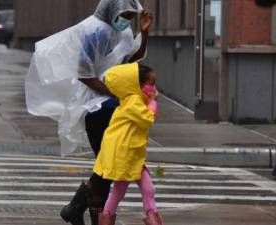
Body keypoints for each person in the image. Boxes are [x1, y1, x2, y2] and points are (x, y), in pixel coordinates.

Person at [24, 0, 153, 225]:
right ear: (112, 9)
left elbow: (129, 60)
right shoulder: (94, 31)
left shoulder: (120, 34)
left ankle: (77, 209)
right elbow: (84, 73)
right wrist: (113, 94)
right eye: (125, 14)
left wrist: (143, 33)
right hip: (95, 107)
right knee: (107, 165)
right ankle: (85, 212)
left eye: (132, 16)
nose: (127, 21)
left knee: (108, 164)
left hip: (112, 107)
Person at [93, 63, 163, 225]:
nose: (153, 87)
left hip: (130, 153)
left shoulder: (134, 100)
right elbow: (147, 119)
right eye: (150, 83)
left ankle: (107, 218)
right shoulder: (133, 101)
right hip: (126, 154)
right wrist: (153, 101)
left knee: (131, 190)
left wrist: (150, 101)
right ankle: (151, 219)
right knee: (133, 189)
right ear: (137, 85)